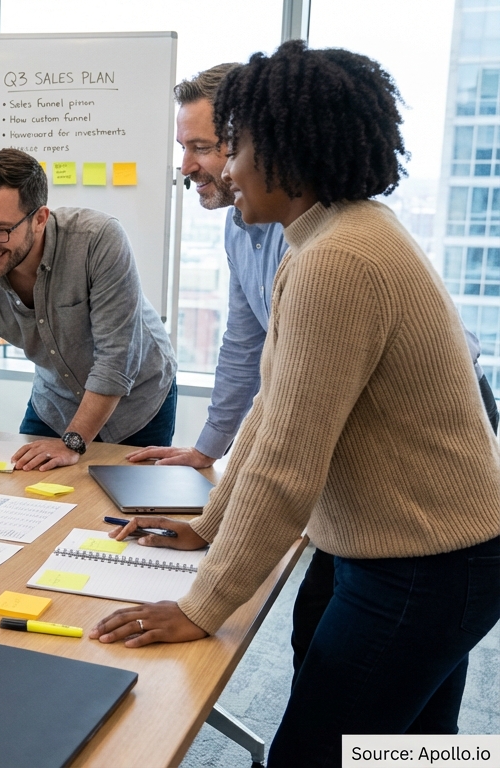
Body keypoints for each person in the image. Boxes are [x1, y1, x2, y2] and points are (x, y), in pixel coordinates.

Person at [90, 41, 500, 766]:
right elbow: (277, 411)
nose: (227, 168)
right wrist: (209, 527)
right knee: (408, 749)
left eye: (235, 147)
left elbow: (286, 459)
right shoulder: (329, 238)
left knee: (318, 753)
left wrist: (200, 607)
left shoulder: (337, 261)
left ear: (286, 148)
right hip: (425, 551)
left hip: (425, 562)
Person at [0, 148, 177, 472]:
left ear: (39, 219)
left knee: (127, 510)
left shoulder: (98, 240)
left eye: (0, 229)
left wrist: (73, 441)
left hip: (139, 404)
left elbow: (116, 360)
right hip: (55, 405)